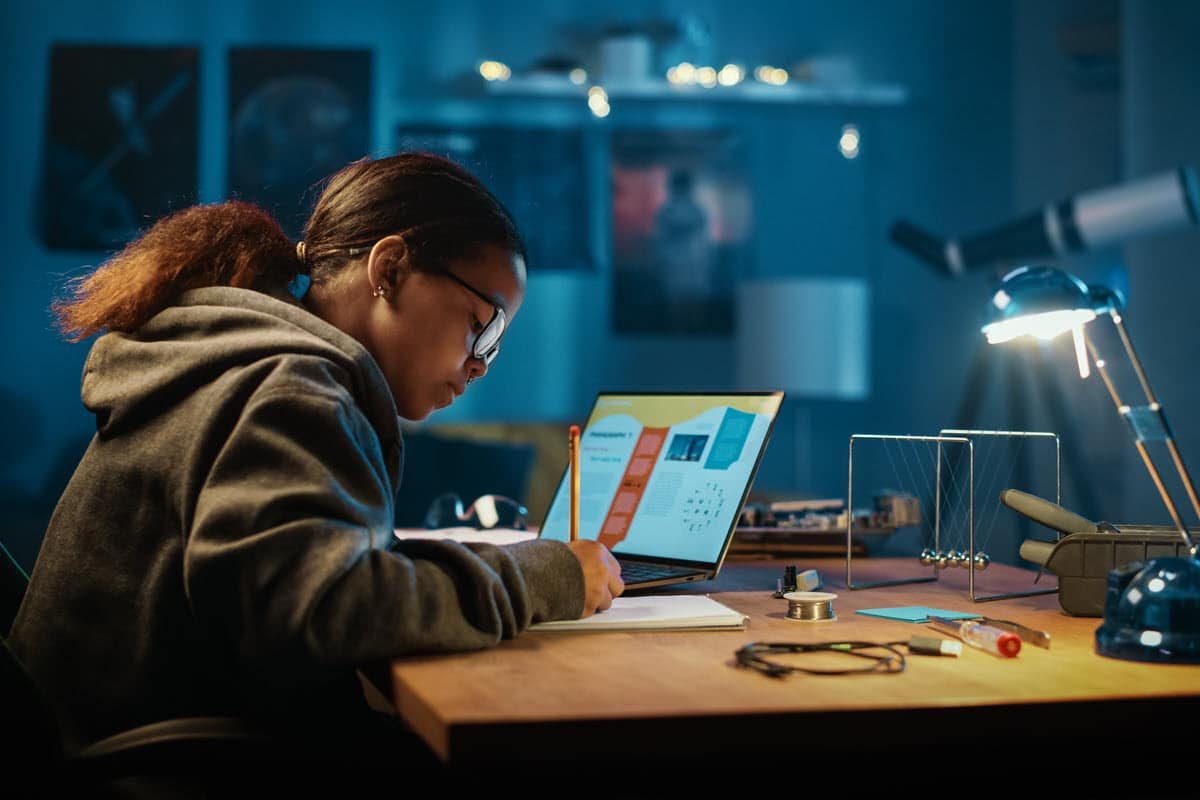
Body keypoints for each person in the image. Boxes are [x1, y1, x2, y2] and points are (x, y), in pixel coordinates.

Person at [8, 153, 624, 775]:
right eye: (481, 327)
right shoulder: (289, 386)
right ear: (390, 268)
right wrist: (546, 579)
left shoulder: (244, 360)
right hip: (169, 770)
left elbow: (307, 575)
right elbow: (326, 608)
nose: (481, 365)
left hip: (115, 743)